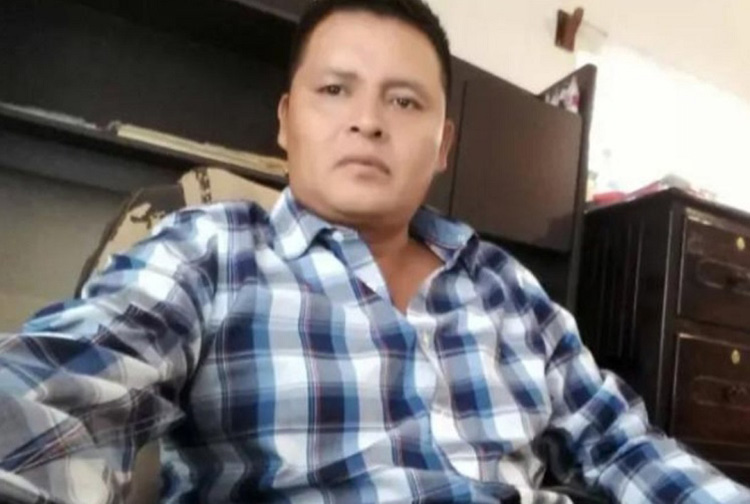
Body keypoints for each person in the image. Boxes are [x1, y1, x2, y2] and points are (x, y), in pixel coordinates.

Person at [0, 0, 748, 503]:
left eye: (404, 100)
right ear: (287, 120)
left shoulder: (508, 288)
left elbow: (621, 444)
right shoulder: (209, 251)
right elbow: (59, 392)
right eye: (335, 90)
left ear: (443, 145)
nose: (367, 121)